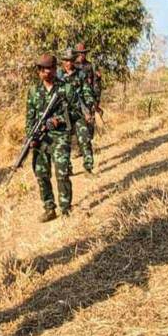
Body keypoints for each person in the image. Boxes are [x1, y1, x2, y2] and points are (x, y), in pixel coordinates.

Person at [26, 54, 67, 222]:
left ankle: (65, 208)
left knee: (62, 172)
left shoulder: (65, 88)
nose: (44, 72)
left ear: (55, 69)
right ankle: (49, 208)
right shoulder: (33, 91)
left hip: (59, 137)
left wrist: (58, 120)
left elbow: (75, 112)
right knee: (41, 174)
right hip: (41, 139)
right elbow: (29, 118)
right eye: (41, 69)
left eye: (48, 69)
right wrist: (31, 137)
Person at [59, 47, 97, 174]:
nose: (68, 63)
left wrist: (89, 106)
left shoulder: (81, 74)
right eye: (66, 60)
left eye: (70, 60)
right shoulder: (58, 76)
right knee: (64, 143)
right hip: (63, 114)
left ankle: (88, 168)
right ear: (63, 61)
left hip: (78, 112)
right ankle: (67, 169)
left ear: (74, 61)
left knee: (85, 139)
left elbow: (87, 91)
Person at [74, 42, 104, 141]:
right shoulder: (73, 66)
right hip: (77, 98)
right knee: (79, 122)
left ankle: (89, 142)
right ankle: (81, 145)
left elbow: (96, 83)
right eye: (79, 53)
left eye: (83, 53)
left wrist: (96, 100)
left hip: (89, 98)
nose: (81, 55)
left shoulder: (90, 66)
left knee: (90, 121)